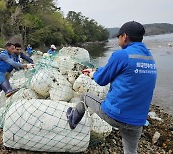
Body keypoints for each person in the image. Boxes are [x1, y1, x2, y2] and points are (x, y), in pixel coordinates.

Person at [66, 21, 157, 154]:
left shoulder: (121, 55)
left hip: (115, 115)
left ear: (124, 36)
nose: (118, 39)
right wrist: (96, 70)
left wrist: (93, 74)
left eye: (118, 36)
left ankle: (72, 120)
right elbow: (123, 71)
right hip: (138, 120)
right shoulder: (150, 59)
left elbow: (101, 80)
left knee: (85, 97)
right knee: (131, 151)